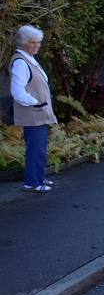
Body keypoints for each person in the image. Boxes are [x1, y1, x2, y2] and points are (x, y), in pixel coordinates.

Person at [9, 25, 58, 192]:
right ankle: (33, 183)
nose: (37, 45)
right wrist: (34, 102)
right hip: (34, 112)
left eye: (38, 42)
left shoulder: (29, 59)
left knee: (39, 148)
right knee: (35, 149)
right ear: (23, 43)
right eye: (33, 42)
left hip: (38, 112)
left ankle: (39, 178)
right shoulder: (21, 62)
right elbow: (17, 91)